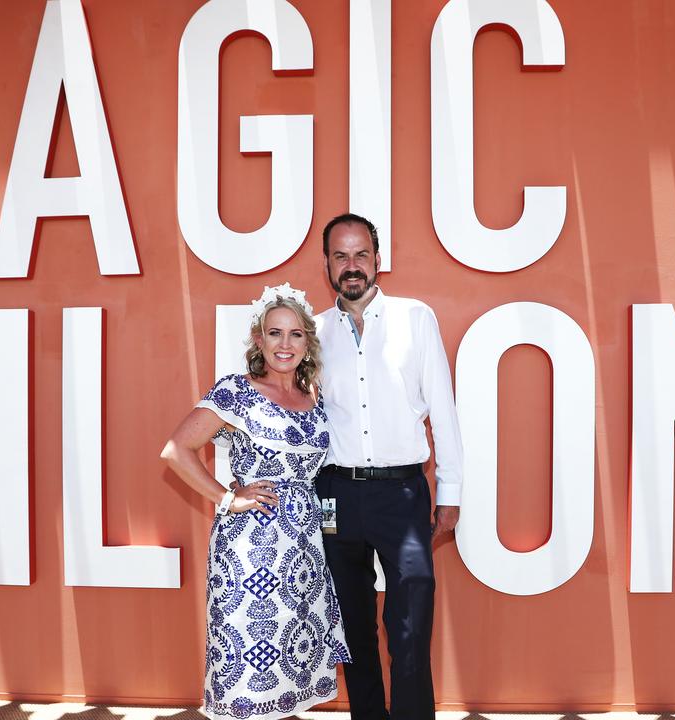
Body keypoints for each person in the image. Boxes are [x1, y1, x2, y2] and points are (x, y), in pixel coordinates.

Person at [161, 283, 351, 720]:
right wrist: (227, 497)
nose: (285, 344)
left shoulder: (314, 396)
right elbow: (175, 450)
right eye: (274, 333)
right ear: (258, 339)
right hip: (251, 550)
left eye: (295, 334)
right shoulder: (236, 391)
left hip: (304, 550)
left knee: (290, 667)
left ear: (308, 341)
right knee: (249, 663)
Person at [313, 213, 464, 720]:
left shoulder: (414, 318)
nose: (351, 266)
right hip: (336, 495)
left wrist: (450, 493)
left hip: (403, 496)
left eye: (360, 255)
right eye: (340, 256)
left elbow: (442, 410)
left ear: (377, 260)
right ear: (328, 264)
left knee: (410, 629)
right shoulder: (313, 333)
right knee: (353, 630)